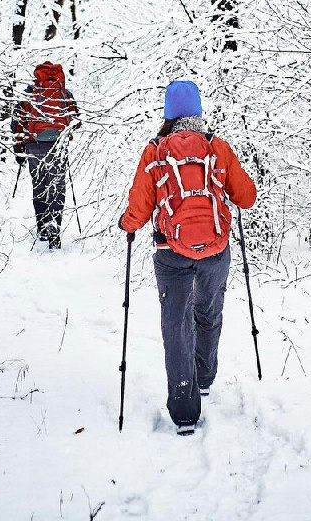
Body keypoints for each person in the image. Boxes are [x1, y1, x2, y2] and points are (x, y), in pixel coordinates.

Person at [118, 80, 256, 435]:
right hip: (215, 250)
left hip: (170, 253)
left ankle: (184, 409)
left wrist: (128, 224)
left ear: (167, 113)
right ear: (197, 111)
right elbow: (246, 197)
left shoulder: (155, 151)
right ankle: (205, 376)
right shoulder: (217, 147)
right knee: (208, 312)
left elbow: (141, 205)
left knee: (176, 325)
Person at [13, 62, 78, 249]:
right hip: (58, 145)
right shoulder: (65, 94)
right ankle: (55, 229)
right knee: (57, 187)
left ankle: (42, 227)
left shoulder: (29, 94)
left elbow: (17, 124)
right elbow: (76, 120)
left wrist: (19, 149)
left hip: (34, 146)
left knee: (39, 185)